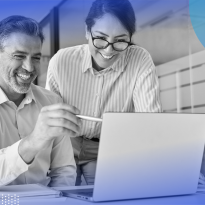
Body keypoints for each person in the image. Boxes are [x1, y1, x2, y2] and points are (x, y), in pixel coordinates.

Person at [0, 15, 82, 190]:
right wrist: (34, 141)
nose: (29, 67)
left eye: (36, 58)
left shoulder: (51, 102)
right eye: (19, 56)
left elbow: (64, 170)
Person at [46, 0, 162, 186]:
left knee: (111, 196)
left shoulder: (140, 60)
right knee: (61, 197)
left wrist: (173, 161)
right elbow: (51, 121)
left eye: (120, 41)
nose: (108, 50)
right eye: (100, 38)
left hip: (107, 147)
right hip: (65, 146)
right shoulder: (61, 61)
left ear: (130, 37)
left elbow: (149, 121)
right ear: (87, 31)